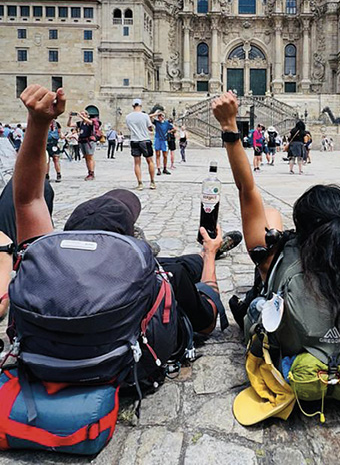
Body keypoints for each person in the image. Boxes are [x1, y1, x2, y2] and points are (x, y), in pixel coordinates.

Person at [210, 92, 340, 395]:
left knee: (270, 221)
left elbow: (247, 189)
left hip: (294, 353)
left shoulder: (273, 255)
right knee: (271, 221)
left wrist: (229, 125)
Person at [10, 84, 241, 341]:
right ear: (128, 241)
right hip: (128, 364)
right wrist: (209, 256)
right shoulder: (160, 279)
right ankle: (209, 252)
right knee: (185, 266)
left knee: (186, 263)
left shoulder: (42, 274)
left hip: (46, 361)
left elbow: (28, 200)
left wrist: (37, 122)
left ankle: (199, 254)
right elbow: (207, 321)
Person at [126, 99, 157, 190]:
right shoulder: (145, 116)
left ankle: (140, 183)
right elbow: (150, 128)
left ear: (133, 106)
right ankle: (152, 182)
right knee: (150, 161)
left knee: (137, 163)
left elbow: (129, 129)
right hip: (145, 140)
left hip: (134, 140)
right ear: (140, 106)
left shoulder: (128, 117)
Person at [67, 109, 96, 181]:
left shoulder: (90, 122)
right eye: (81, 114)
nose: (82, 116)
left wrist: (81, 116)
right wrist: (70, 117)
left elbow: (91, 123)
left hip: (89, 141)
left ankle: (91, 173)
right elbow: (69, 125)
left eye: (84, 114)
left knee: (90, 156)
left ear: (87, 115)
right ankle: (89, 171)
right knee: (86, 157)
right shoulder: (80, 123)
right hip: (82, 140)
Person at [151, 111, 175, 176]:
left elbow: (174, 128)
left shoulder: (167, 123)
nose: (160, 117)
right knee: (157, 154)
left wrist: (169, 131)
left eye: (161, 116)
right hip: (157, 139)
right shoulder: (157, 122)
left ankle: (164, 168)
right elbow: (149, 116)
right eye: (159, 116)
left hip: (164, 140)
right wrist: (156, 113)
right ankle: (158, 169)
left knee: (165, 155)